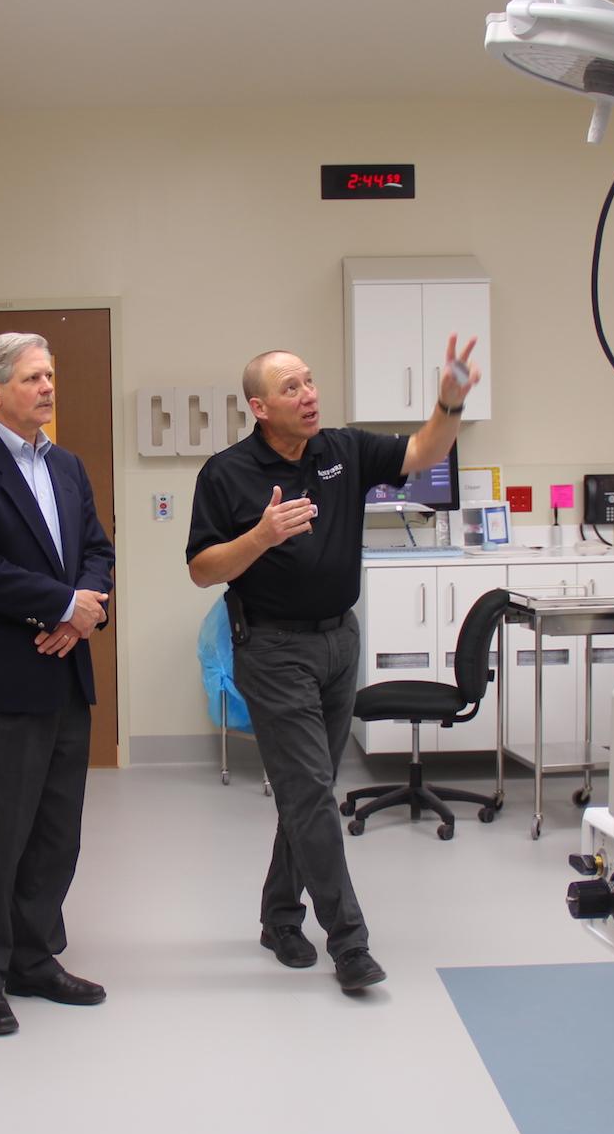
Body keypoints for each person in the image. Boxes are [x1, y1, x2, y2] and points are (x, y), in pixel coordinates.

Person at [185, 335, 480, 993]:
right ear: (260, 406)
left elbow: (422, 451)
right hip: (272, 649)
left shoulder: (342, 449)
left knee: (307, 790)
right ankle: (349, 942)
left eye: (310, 381)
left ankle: (279, 916)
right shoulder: (227, 473)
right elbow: (202, 568)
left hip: (339, 642)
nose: (308, 395)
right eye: (290, 388)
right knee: (313, 792)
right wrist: (261, 536)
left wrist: (449, 403)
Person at [0, 331, 116, 1036]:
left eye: (51, 375)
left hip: (65, 672)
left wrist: (82, 613)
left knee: (56, 834)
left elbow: (96, 549)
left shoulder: (67, 465)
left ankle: (34, 958)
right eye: (34, 377)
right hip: (3, 679)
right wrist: (64, 605)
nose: (48, 387)